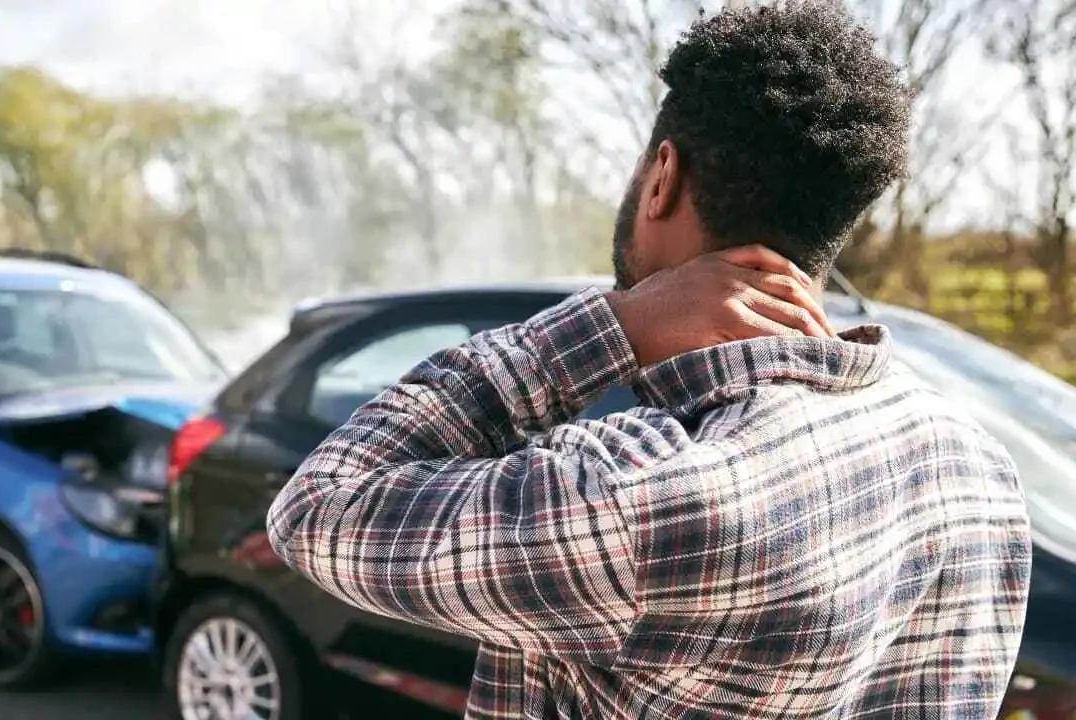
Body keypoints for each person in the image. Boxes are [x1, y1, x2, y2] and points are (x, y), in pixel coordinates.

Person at [267, 4, 1032, 719]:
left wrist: (614, 324)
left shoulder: (641, 494)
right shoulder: (977, 469)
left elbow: (320, 507)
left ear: (662, 176)